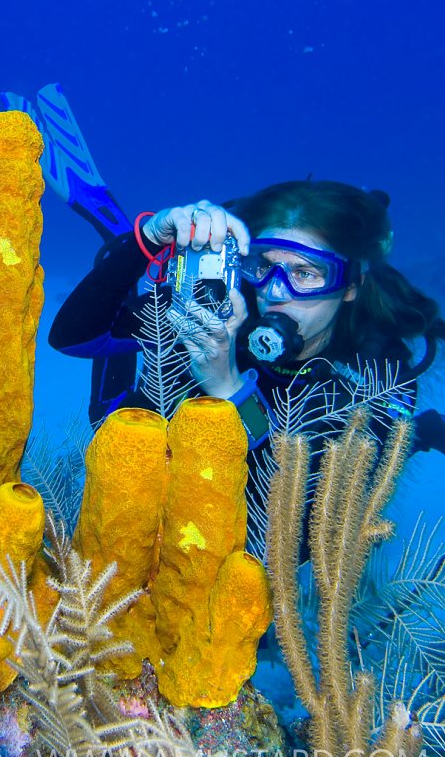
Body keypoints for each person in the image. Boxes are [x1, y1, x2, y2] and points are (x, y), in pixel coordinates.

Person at [49, 181, 445, 539]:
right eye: (263, 266)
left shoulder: (375, 372)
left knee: (396, 442)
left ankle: (424, 432)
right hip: (171, 466)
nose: (275, 291)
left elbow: (293, 528)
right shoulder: (222, 304)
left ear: (349, 287)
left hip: (258, 518)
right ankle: (125, 246)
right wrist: (146, 241)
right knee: (110, 425)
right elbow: (75, 340)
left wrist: (229, 389)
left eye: (306, 274)